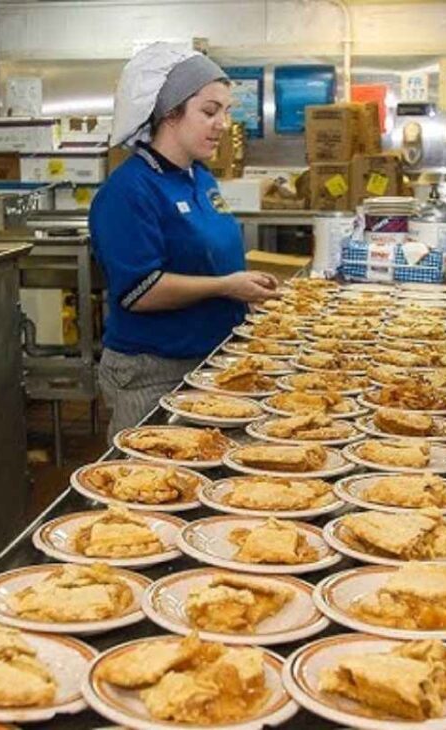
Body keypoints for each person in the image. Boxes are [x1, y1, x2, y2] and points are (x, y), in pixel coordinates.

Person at [90, 43, 280, 440]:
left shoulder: (200, 178)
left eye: (226, 112)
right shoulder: (129, 191)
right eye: (209, 111)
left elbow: (207, 256)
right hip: (152, 373)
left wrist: (244, 293)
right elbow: (139, 291)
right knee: (146, 485)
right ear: (170, 113)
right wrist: (227, 286)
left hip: (211, 360)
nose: (223, 123)